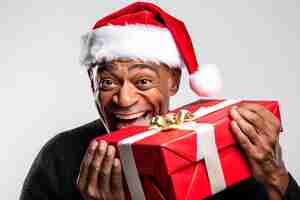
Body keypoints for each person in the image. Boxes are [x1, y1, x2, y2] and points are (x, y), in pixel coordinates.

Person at [20, 2, 300, 200]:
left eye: (143, 82)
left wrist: (276, 179)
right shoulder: (61, 156)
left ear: (174, 81)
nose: (124, 99)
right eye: (107, 82)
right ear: (91, 83)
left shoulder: (222, 143)